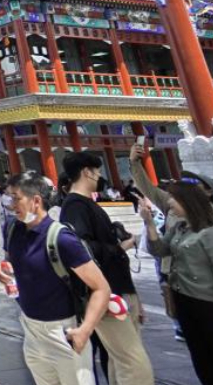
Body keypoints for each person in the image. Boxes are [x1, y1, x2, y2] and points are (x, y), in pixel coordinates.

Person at [0, 171, 111, 385]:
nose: (10, 204)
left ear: (36, 201)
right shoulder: (12, 229)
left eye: (16, 198)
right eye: (9, 197)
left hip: (63, 332)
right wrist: (3, 271)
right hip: (30, 330)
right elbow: (12, 261)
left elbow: (102, 288)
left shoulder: (62, 239)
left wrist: (85, 330)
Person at [58, 152, 153, 385]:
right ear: (87, 172)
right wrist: (120, 247)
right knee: (133, 361)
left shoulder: (87, 204)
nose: (100, 176)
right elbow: (81, 248)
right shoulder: (75, 206)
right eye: (97, 171)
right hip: (106, 293)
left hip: (118, 288)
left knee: (119, 359)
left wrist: (135, 297)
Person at [140, 182, 213, 385]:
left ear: (188, 202)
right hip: (186, 303)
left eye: (174, 199)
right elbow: (159, 250)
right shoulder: (180, 229)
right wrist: (149, 224)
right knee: (203, 361)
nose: (170, 203)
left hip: (210, 306)